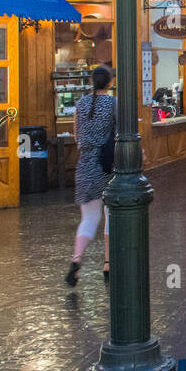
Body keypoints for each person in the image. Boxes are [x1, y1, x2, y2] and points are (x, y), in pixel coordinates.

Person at [66, 64, 115, 286]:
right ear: (110, 82)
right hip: (107, 165)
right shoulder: (113, 103)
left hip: (85, 166)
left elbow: (77, 136)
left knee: (89, 218)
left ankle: (76, 259)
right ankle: (108, 262)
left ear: (91, 81)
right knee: (110, 215)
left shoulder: (80, 103)